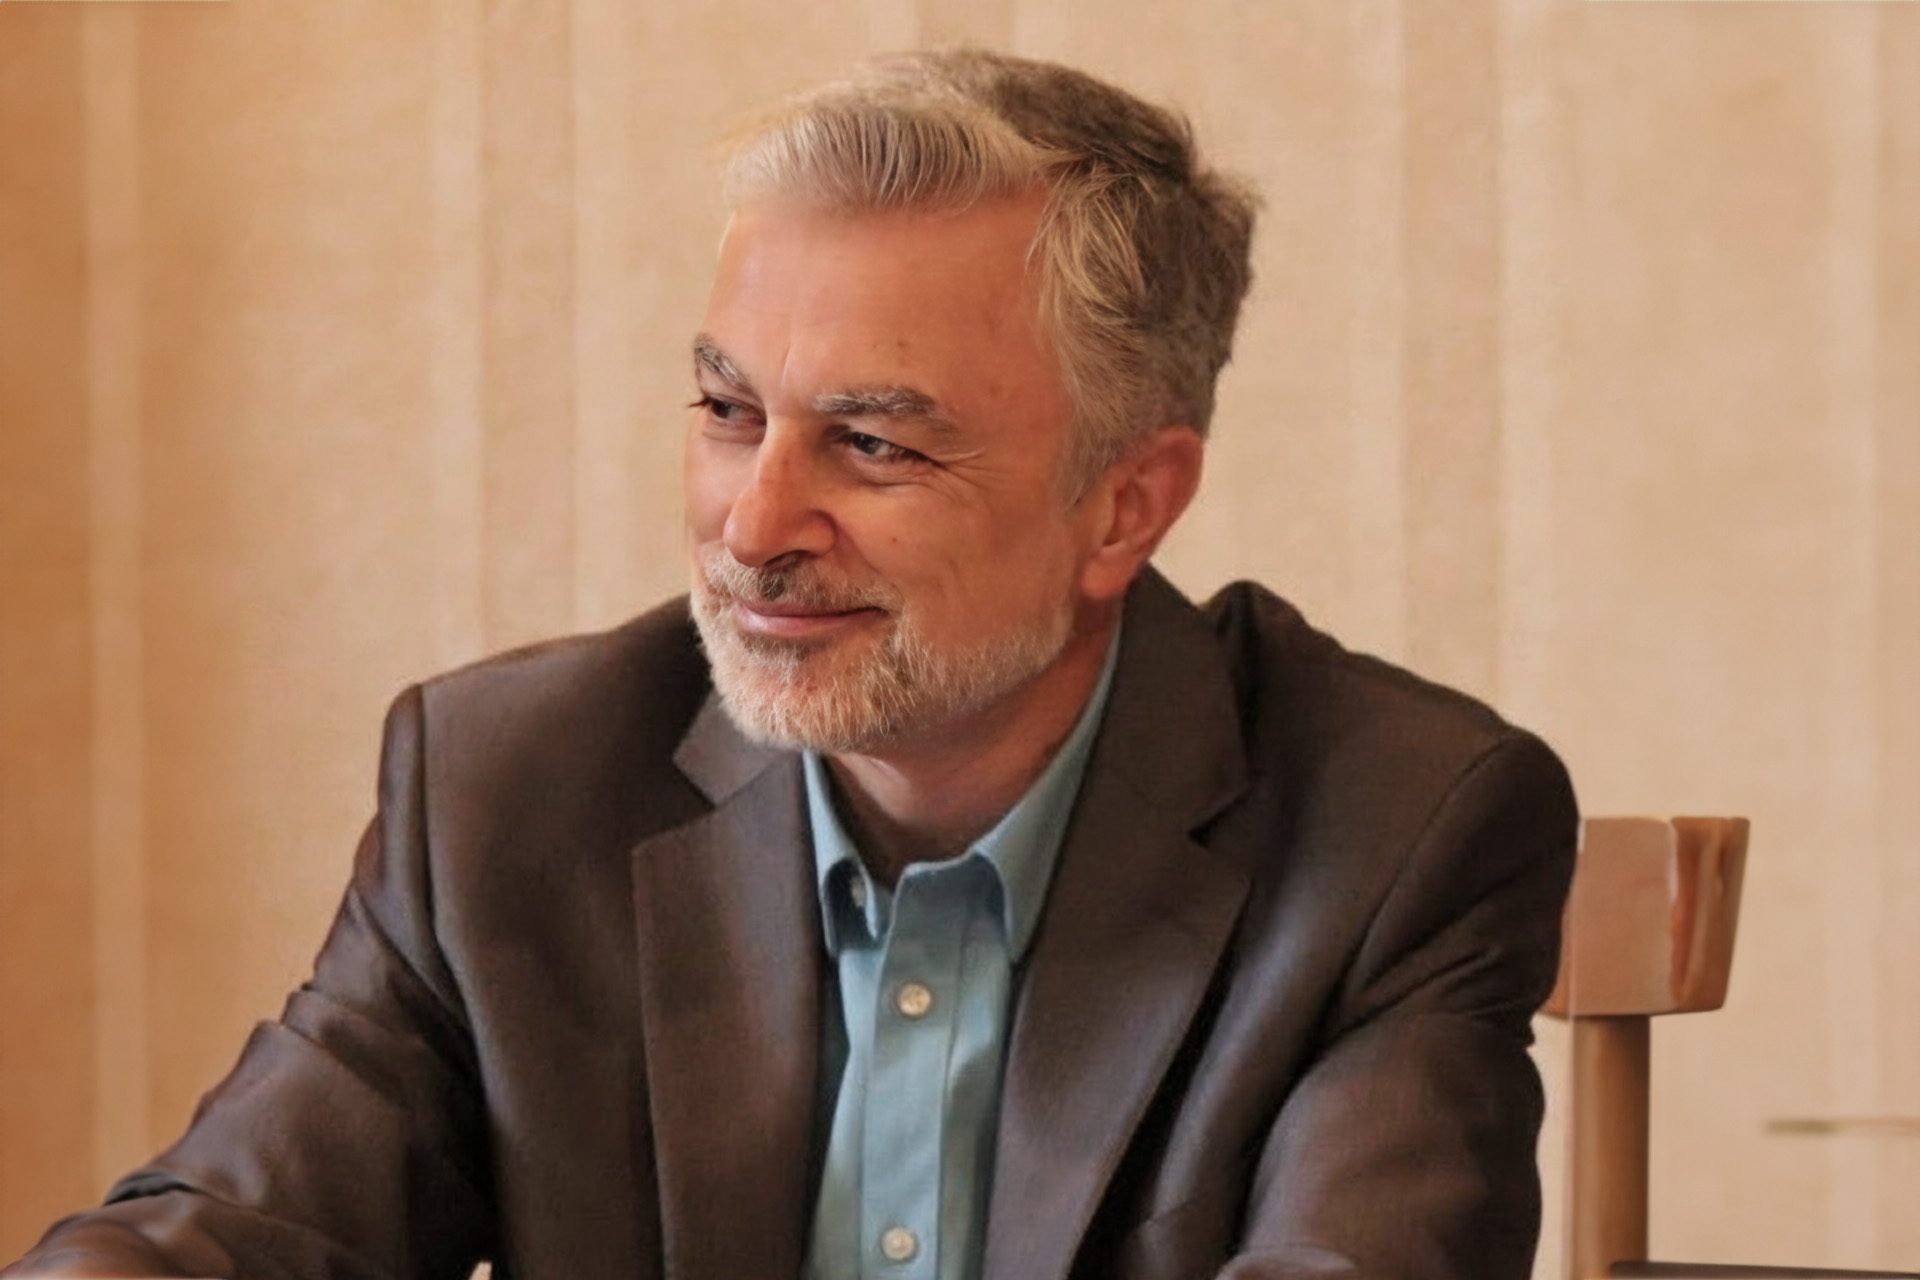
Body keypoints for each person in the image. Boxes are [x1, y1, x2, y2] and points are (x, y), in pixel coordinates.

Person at [5, 49, 1577, 1280]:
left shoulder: (1397, 835)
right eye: (727, 411)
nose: (754, 527)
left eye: (873, 442)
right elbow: (231, 1235)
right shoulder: (508, 787)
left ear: (1124, 505)